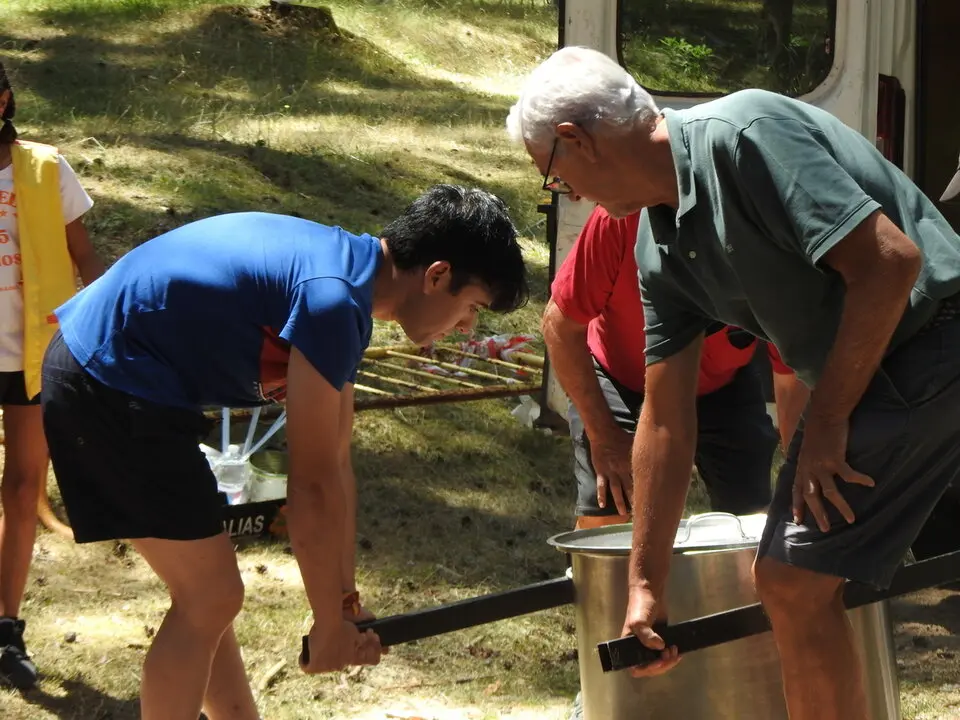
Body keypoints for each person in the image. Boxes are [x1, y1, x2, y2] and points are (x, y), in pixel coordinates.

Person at [508, 46, 960, 720]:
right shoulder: (656, 246)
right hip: (882, 370)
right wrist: (644, 585)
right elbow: (665, 420)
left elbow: (891, 263)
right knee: (791, 583)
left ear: (576, 140)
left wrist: (828, 423)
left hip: (931, 339)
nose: (564, 192)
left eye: (552, 173)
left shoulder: (744, 135)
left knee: (791, 582)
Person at [40, 185, 528, 720]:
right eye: (471, 307)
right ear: (437, 275)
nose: (466, 328)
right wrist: (326, 626)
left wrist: (342, 608)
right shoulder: (332, 299)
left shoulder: (349, 287)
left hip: (129, 382)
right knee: (210, 597)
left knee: (206, 596)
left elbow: (337, 464)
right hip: (106, 377)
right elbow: (311, 486)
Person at [546, 204, 804, 530]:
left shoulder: (767, 243)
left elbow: (791, 378)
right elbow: (559, 327)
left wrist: (800, 469)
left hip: (723, 385)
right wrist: (604, 436)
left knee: (753, 521)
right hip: (619, 375)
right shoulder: (621, 212)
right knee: (609, 512)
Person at [0, 61, 104, 689]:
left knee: (21, 485)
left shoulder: (44, 168)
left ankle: (5, 629)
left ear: (4, 100)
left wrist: (118, 329)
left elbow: (84, 255)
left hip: (33, 355)